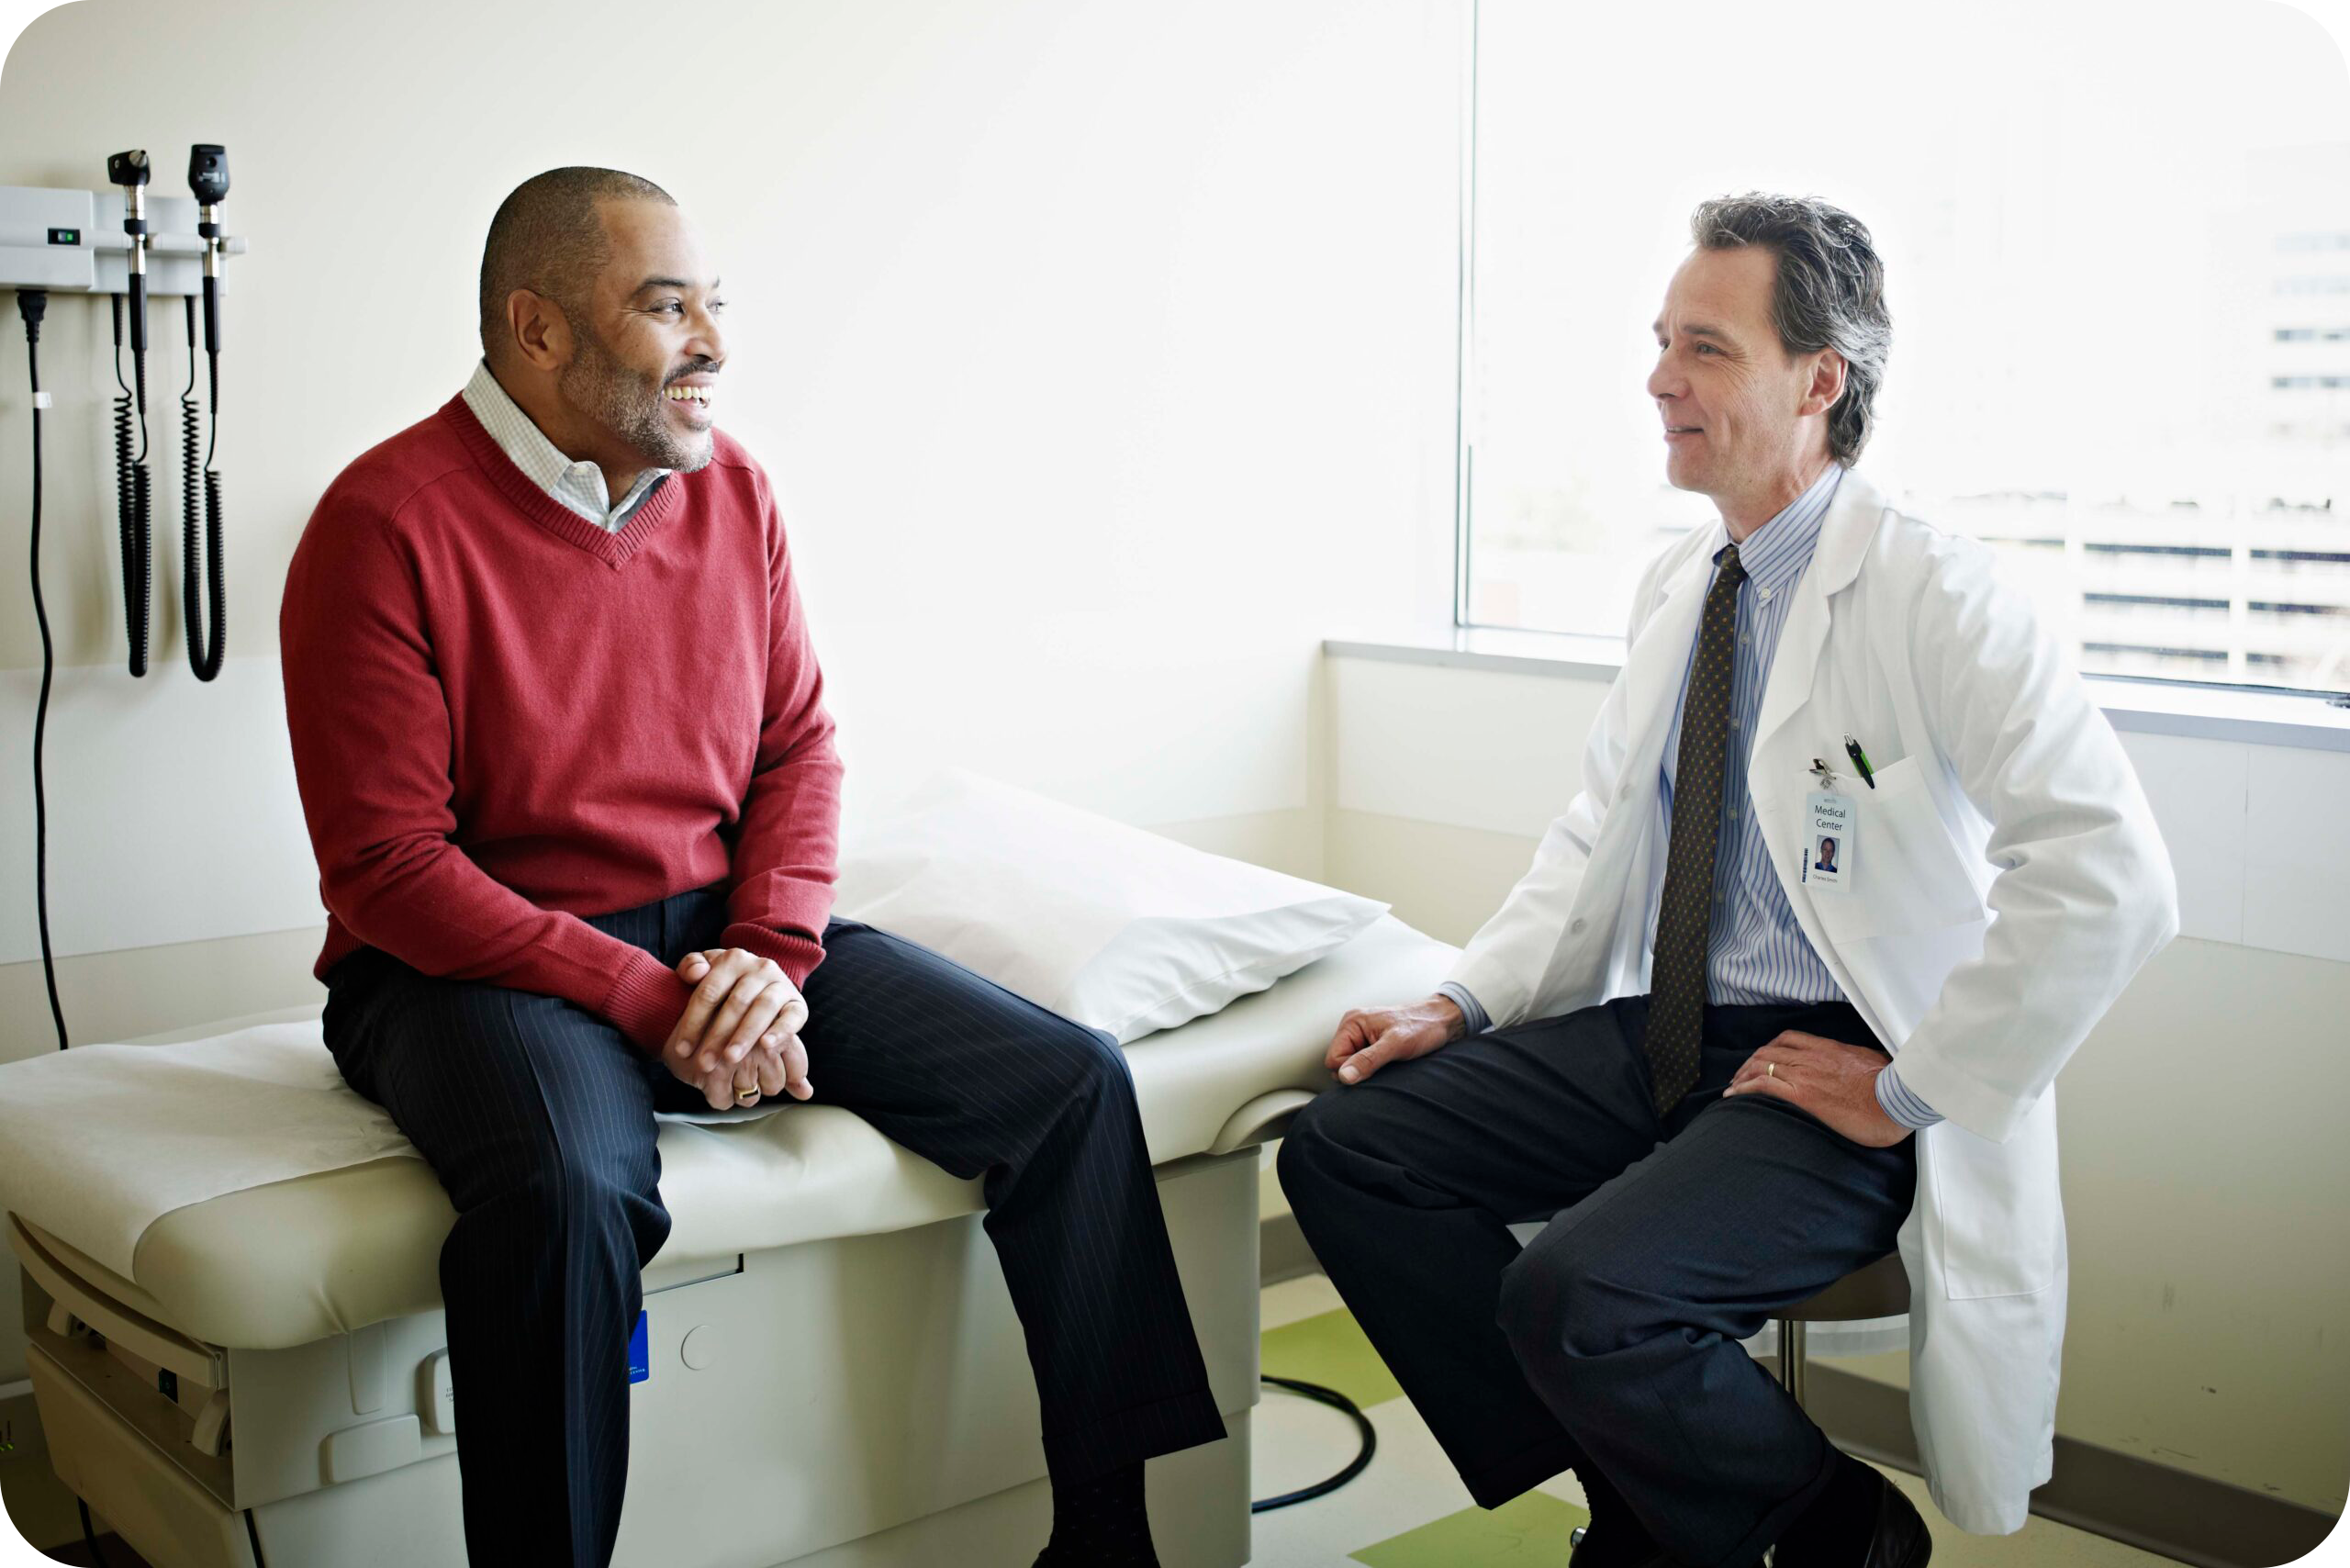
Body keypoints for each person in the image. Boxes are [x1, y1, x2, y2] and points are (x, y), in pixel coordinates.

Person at [279, 166, 1222, 1568]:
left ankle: (1106, 1540)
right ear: (537, 332)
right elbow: (388, 869)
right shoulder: (385, 520)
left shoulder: (734, 495)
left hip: (719, 937)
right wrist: (649, 1000)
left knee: (1072, 1084)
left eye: (715, 304)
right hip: (470, 966)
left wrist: (770, 964)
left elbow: (800, 749)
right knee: (570, 1194)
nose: (713, 343)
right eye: (668, 308)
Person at [1278, 193, 2177, 1568]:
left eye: (1704, 347)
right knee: (1347, 1147)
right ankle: (1685, 1499)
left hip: (1843, 1062)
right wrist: (1458, 1002)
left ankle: (1820, 1524)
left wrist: (1909, 1087)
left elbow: (2111, 873)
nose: (1658, 379)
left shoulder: (1940, 594)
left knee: (1575, 1295)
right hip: (1673, 1032)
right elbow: (1594, 837)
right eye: (1660, 342)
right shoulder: (1681, 587)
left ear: (1822, 380)